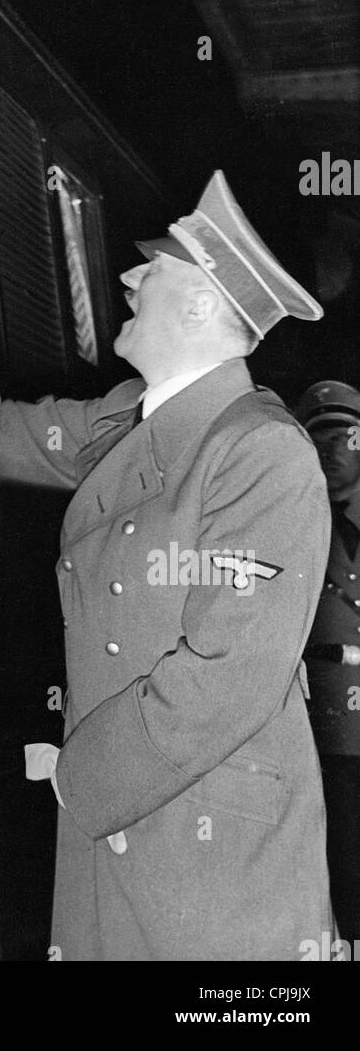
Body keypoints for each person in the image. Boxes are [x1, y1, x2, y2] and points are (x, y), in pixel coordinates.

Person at [0, 170, 334, 960]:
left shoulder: (260, 452)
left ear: (201, 303)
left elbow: (227, 676)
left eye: (154, 268)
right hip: (122, 823)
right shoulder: (125, 419)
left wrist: (80, 780)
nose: (128, 277)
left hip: (206, 857)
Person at [294, 380, 360, 945]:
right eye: (318, 439)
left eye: (346, 437)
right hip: (323, 737)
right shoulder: (292, 525)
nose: (332, 451)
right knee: (338, 874)